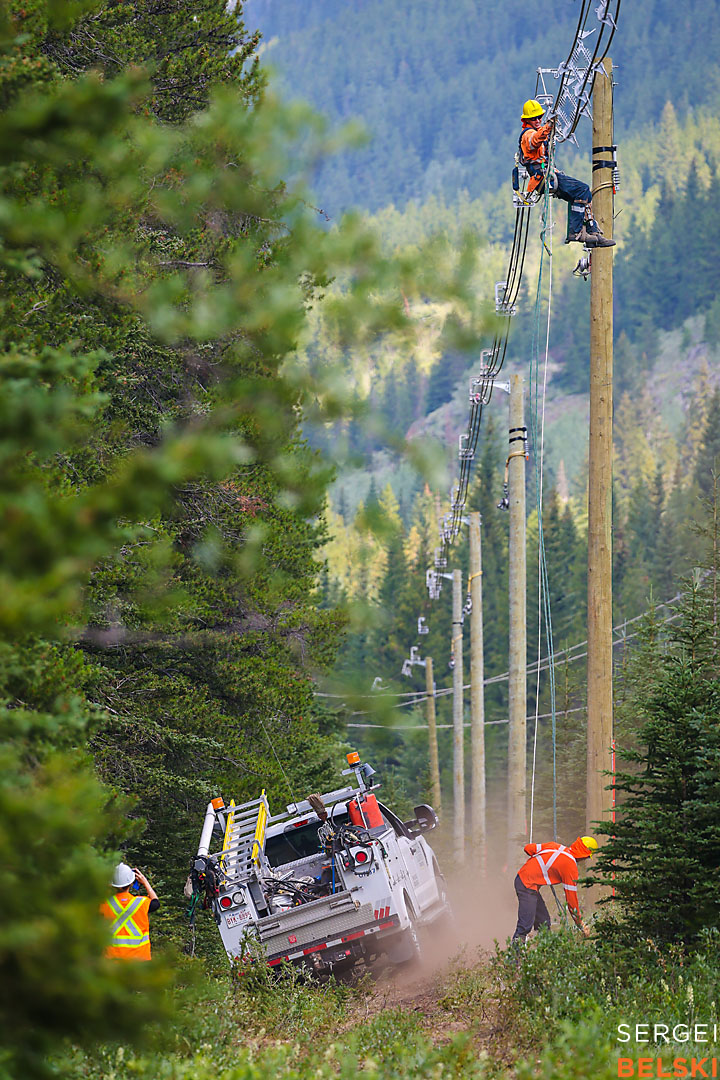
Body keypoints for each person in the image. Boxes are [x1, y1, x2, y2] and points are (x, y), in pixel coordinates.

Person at [518, 99, 615, 248]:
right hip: (542, 178)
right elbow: (534, 141)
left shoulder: (537, 131)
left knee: (582, 196)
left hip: (548, 175)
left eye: (539, 117)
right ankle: (576, 232)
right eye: (534, 118)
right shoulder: (528, 134)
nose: (537, 120)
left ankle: (592, 232)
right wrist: (548, 126)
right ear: (527, 120)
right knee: (582, 190)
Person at [512, 835, 598, 943]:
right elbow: (572, 902)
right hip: (527, 885)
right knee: (525, 926)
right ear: (584, 855)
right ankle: (514, 958)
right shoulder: (570, 867)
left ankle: (543, 954)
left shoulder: (556, 846)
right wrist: (580, 924)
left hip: (525, 881)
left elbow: (528, 848)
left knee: (543, 922)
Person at [100, 862, 159, 961]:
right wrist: (145, 882)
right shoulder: (142, 903)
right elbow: (156, 903)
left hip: (112, 962)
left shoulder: (104, 904)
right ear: (131, 883)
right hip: (140, 962)